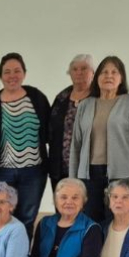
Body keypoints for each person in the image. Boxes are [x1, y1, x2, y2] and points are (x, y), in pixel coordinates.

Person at [0, 52, 51, 239]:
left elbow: (50, 129)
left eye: (17, 71)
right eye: (7, 72)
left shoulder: (36, 97)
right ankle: (1, 254)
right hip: (0, 172)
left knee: (27, 218)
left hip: (33, 172)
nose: (12, 75)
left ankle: (22, 255)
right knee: (1, 217)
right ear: (0, 76)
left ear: (24, 73)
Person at [69, 56, 129, 223]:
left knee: (118, 221)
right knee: (90, 221)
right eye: (104, 72)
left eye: (114, 72)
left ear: (121, 78)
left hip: (122, 174)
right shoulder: (85, 105)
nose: (109, 76)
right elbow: (76, 145)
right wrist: (73, 180)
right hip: (89, 174)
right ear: (97, 77)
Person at [48, 55, 94, 191]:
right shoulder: (62, 97)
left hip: (90, 168)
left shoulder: (98, 97)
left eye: (84, 68)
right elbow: (50, 129)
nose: (79, 72)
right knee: (62, 201)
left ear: (93, 72)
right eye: (75, 69)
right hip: (60, 167)